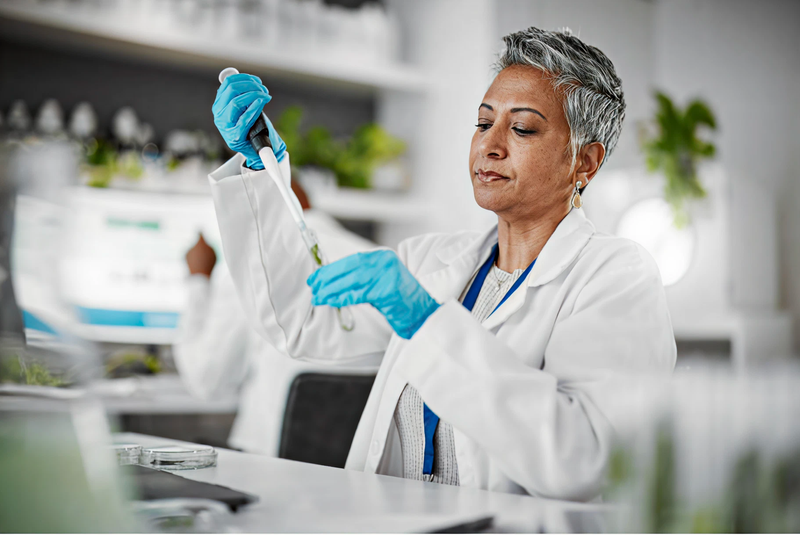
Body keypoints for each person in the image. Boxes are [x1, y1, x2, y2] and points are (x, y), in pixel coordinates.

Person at [207, 27, 676, 500]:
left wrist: (426, 320)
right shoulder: (431, 261)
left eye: (523, 128)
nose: (490, 145)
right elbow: (299, 322)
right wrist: (259, 168)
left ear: (584, 162)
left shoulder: (616, 277)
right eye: (483, 123)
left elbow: (583, 460)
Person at [173, 182, 380, 456]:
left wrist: (198, 279)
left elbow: (206, 381)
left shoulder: (254, 270)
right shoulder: (380, 262)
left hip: (271, 470)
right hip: (360, 471)